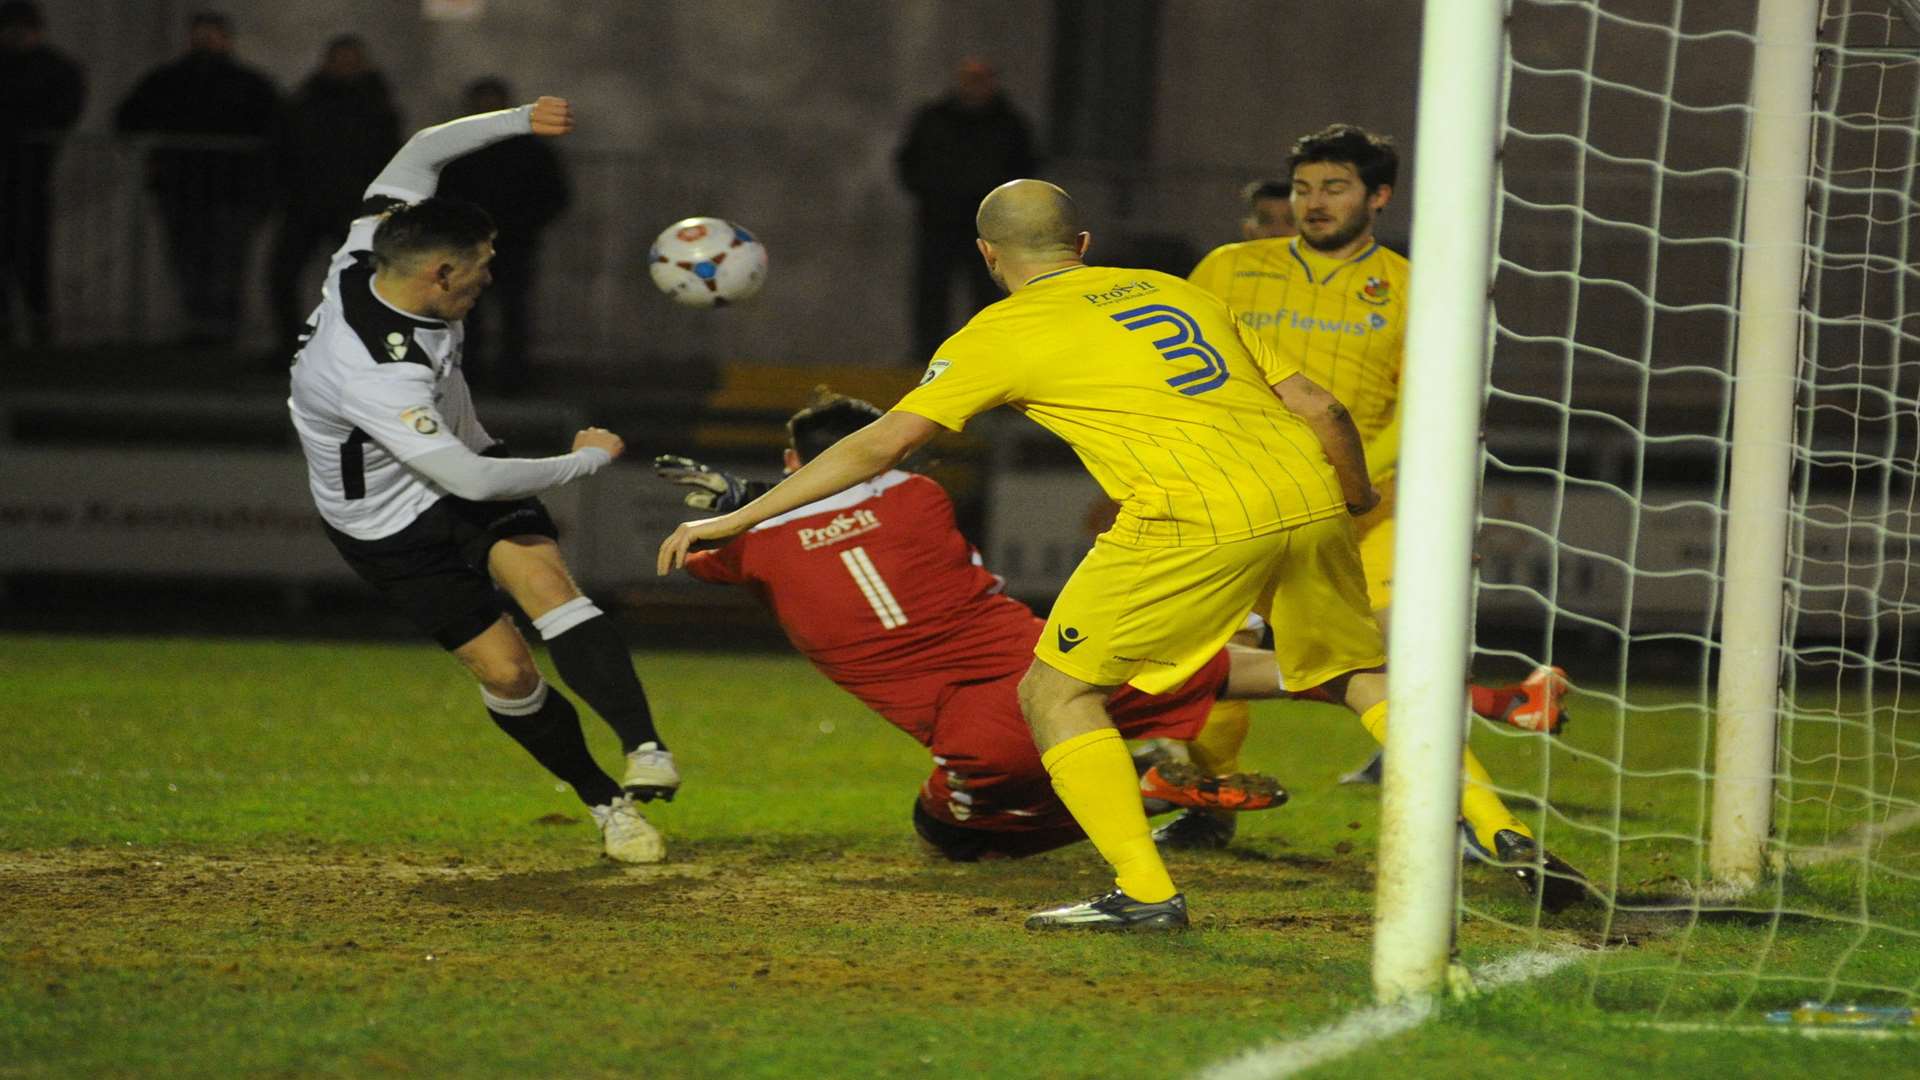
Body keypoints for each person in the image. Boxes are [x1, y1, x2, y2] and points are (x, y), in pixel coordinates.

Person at [659, 179, 1587, 930]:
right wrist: (1344, 498)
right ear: (1084, 243)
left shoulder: (1000, 331)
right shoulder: (1176, 289)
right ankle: (1497, 827)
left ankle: (1144, 892)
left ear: (989, 257)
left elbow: (877, 446)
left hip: (1189, 512)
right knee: (1355, 674)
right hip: (1304, 489)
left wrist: (741, 518)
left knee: (1054, 693)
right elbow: (1324, 408)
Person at [287, 95, 679, 864]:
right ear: (439, 274)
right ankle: (605, 805)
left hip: (459, 468)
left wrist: (519, 118)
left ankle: (648, 748)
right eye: (481, 265)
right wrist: (586, 460)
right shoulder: (374, 371)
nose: (491, 275)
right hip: (389, 528)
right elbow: (465, 476)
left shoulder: (374, 246)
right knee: (507, 672)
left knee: (552, 590)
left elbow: (422, 151)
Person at [654, 393, 1291, 861]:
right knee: (1222, 666)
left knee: (949, 834)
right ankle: (1356, 675)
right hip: (1055, 662)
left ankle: (1142, 790)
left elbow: (697, 561)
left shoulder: (755, 547)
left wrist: (745, 506)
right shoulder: (919, 497)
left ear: (795, 459)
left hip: (978, 731)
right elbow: (865, 489)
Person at [1187, 125, 1568, 788]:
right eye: (1305, 188)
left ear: (1379, 195)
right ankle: (1209, 798)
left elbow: (1424, 408)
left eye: (1335, 187)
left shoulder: (1414, 288)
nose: (1315, 202)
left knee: (1409, 651)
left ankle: (1461, 809)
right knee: (1208, 663)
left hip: (1364, 509)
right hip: (1239, 502)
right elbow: (1183, 375)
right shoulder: (1227, 269)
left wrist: (1345, 478)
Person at [115, 11, 281, 347]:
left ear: (225, 39)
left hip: (229, 191)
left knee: (223, 264)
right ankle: (203, 330)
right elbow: (128, 117)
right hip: (185, 189)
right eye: (199, 35)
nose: (204, 41)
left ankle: (219, 331)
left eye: (211, 35)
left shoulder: (248, 85)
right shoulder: (170, 81)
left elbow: (276, 131)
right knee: (190, 263)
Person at [895, 57, 1038, 362]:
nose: (974, 87)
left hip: (989, 226)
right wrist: (932, 193)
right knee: (932, 292)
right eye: (969, 79)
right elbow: (908, 161)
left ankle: (983, 357)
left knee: (987, 293)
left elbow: (1027, 166)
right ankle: (927, 356)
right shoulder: (934, 118)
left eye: (981, 79)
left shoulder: (1009, 124)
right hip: (939, 221)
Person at [268, 34, 401, 363]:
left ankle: (351, 351)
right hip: (313, 203)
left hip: (346, 207)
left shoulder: (367, 106)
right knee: (286, 274)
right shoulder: (317, 103)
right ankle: (302, 348)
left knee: (358, 283)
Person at [436, 77, 571, 395]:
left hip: (513, 243)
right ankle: (470, 376)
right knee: (467, 314)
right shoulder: (457, 150)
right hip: (468, 245)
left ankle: (513, 377)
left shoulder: (529, 150)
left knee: (514, 311)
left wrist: (523, 224)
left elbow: (553, 195)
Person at [0, 0, 84, 351]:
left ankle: (37, 321)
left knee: (30, 250)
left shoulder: (54, 68)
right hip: (24, 168)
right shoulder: (54, 67)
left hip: (30, 171)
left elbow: (63, 108)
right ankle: (23, 322)